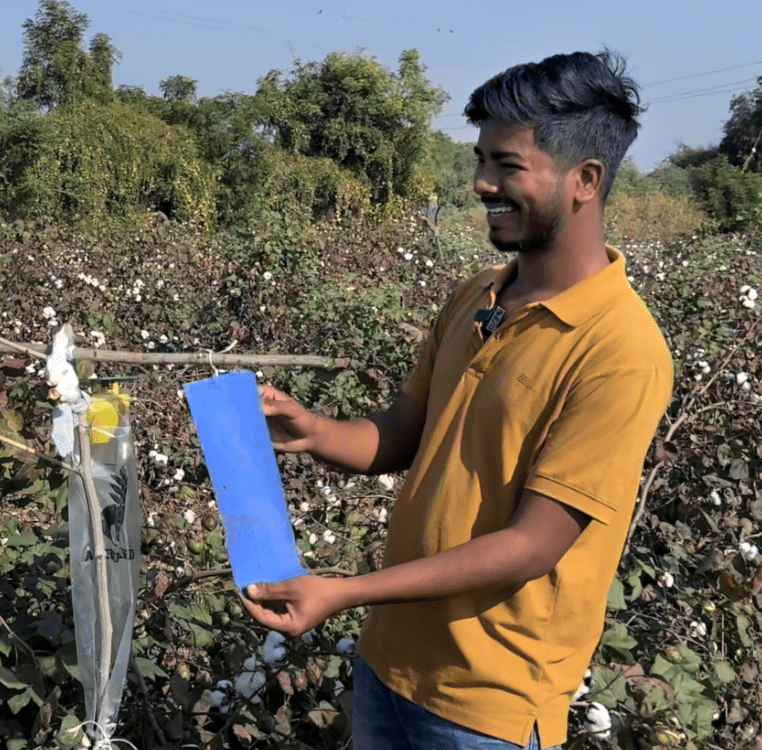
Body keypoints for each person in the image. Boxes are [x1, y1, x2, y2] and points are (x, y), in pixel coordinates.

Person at [242, 51, 673, 750]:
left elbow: (534, 545)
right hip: (390, 666)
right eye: (481, 160)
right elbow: (407, 432)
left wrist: (344, 592)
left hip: (490, 708)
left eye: (507, 165)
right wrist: (313, 430)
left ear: (584, 181)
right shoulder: (478, 295)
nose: (481, 183)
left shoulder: (620, 349)